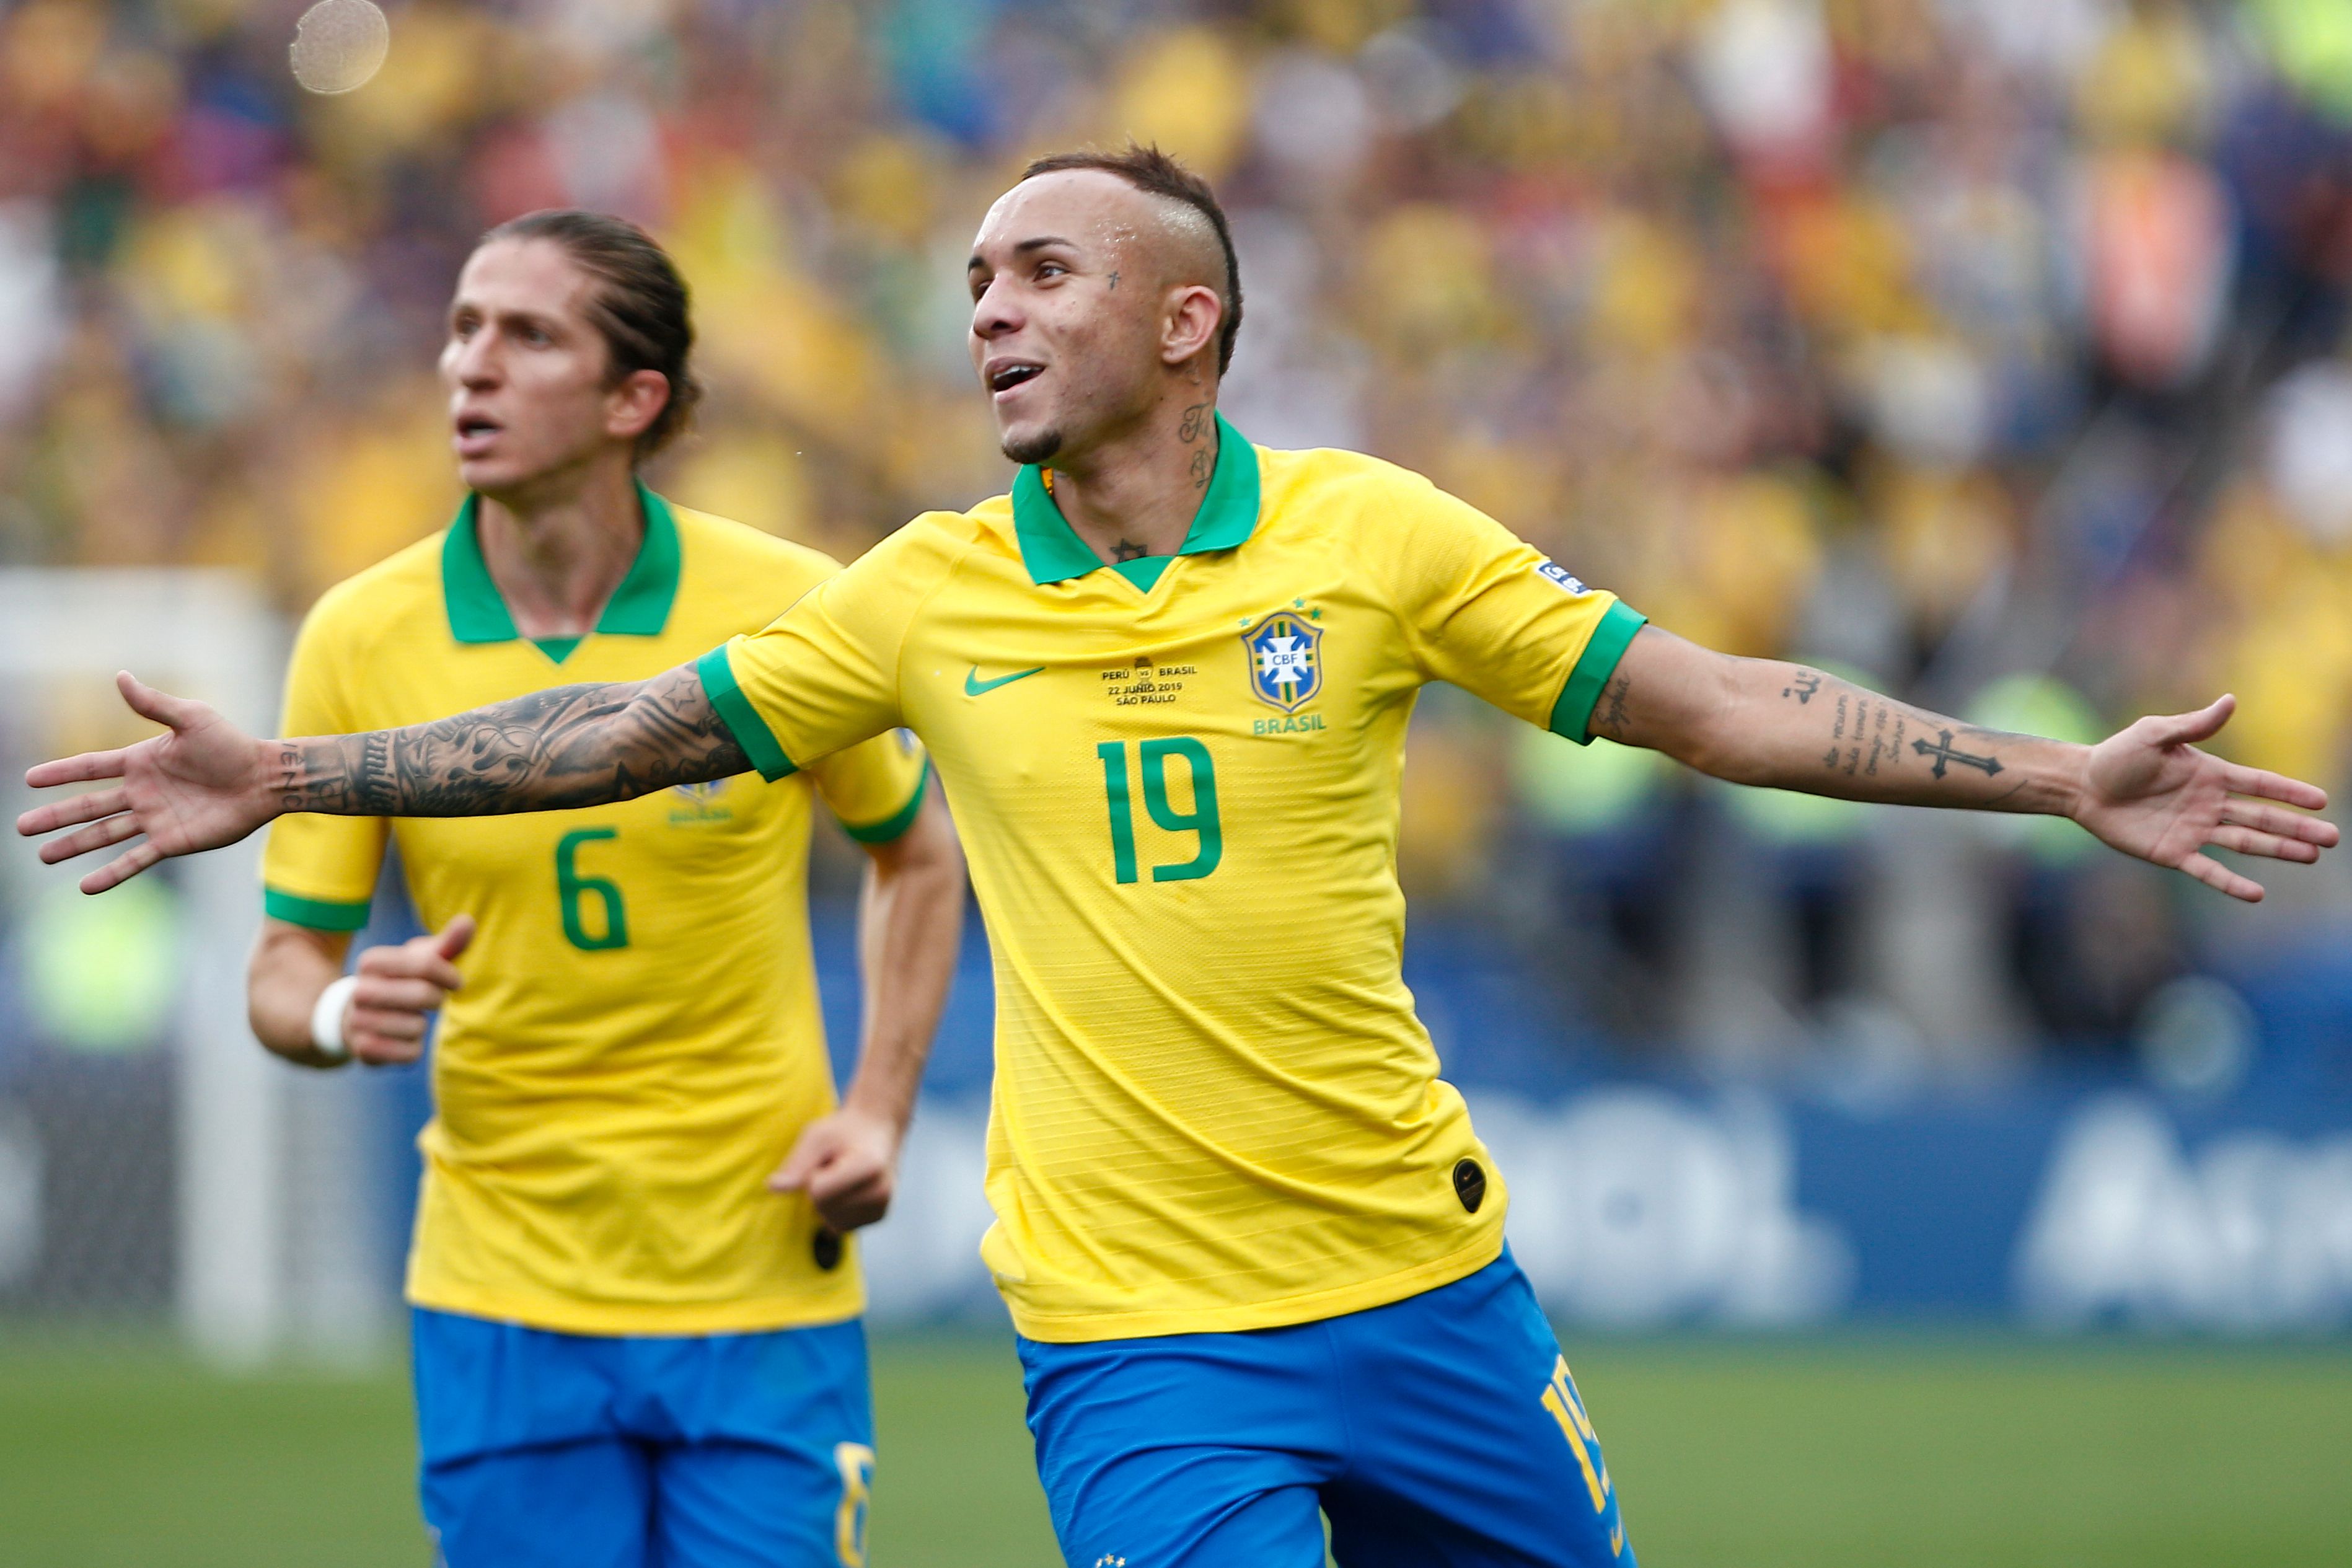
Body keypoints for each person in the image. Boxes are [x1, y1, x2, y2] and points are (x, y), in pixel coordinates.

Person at [21, 149, 2338, 1568]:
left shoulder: (1371, 538)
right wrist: (301, 783)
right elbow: (616, 730)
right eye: (973, 286)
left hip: (1425, 1287)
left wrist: (2055, 783)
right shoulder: (921, 589)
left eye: (1038, 275)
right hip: (1134, 1337)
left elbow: (1710, 702)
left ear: (1183, 321)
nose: (988, 313)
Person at [238, 209, 966, 1567]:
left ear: (636, 398)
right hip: (500, 1287)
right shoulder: (360, 632)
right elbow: (283, 971)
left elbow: (917, 850)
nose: (470, 365)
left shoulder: (787, 601)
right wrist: (340, 1010)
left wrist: (877, 1106)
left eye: (526, 335)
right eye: (461, 327)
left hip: (759, 1273)